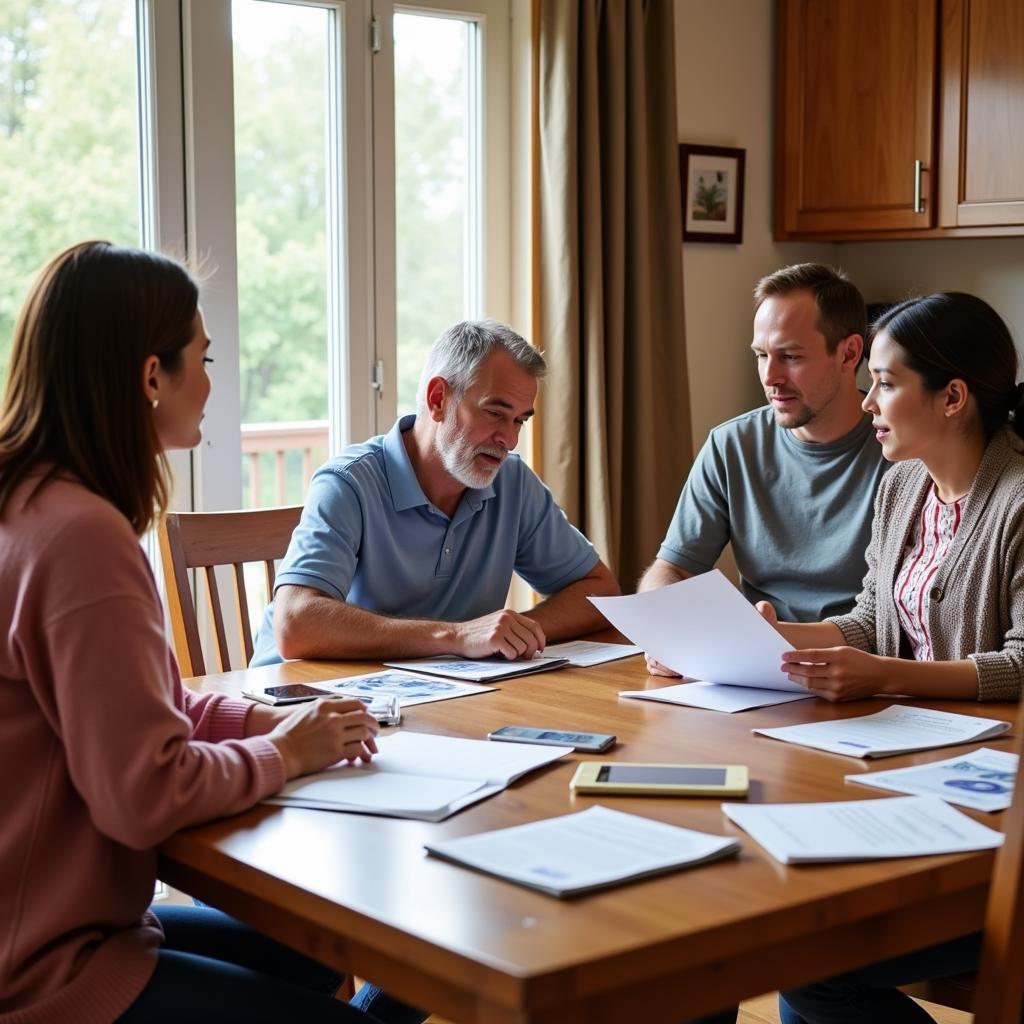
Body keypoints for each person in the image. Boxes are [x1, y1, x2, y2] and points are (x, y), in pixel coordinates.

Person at [0, 241, 384, 1024]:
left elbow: (150, 707)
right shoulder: (80, 538)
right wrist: (283, 754)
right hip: (48, 971)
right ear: (151, 377)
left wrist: (267, 720)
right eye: (202, 358)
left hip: (52, 925)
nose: (212, 381)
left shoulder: (30, 505)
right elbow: (143, 795)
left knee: (317, 952)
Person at [771, 291, 1024, 1024]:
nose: (867, 398)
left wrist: (888, 676)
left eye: (884, 382)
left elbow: (1021, 662)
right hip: (925, 791)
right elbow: (874, 621)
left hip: (999, 829)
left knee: (815, 966)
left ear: (951, 397)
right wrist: (776, 636)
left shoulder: (1017, 500)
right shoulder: (901, 486)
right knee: (795, 931)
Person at [250, 319, 620, 668]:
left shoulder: (512, 483)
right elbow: (295, 624)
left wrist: (514, 634)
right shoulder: (348, 483)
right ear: (438, 398)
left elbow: (600, 591)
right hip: (298, 705)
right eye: (495, 413)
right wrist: (456, 636)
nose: (509, 439)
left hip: (428, 698)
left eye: (520, 420)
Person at [637, 263, 888, 676]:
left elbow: (900, 618)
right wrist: (667, 629)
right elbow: (674, 568)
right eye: (761, 355)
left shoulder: (902, 452)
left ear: (849, 353)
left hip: (861, 671)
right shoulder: (731, 444)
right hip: (752, 669)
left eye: (790, 356)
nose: (770, 377)